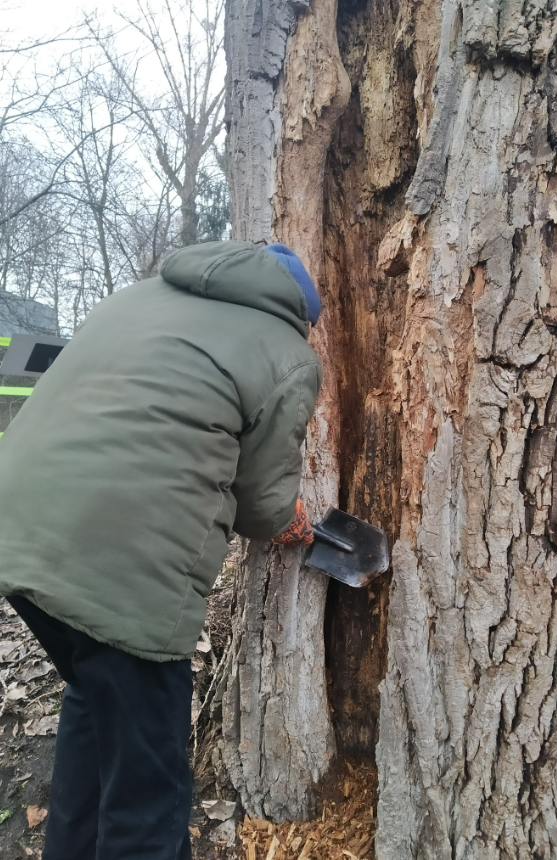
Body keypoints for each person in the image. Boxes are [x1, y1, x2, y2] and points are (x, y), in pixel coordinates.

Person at [0, 240, 322, 860]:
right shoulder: (288, 353)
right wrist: (289, 520)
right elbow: (261, 502)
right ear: (299, 313)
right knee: (148, 796)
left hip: (20, 537)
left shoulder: (136, 297)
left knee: (96, 705)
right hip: (124, 575)